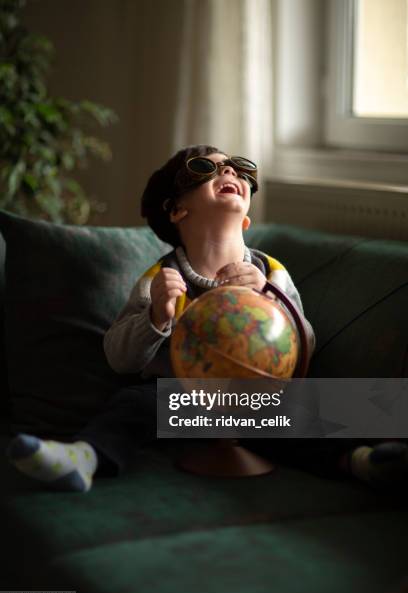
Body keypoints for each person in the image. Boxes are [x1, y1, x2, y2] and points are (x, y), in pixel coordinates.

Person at [6, 145, 408, 492]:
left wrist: (273, 299)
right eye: (208, 168)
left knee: (336, 405)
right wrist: (156, 317)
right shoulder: (161, 279)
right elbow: (118, 358)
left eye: (237, 168)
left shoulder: (271, 272)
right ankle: (86, 457)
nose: (229, 171)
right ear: (178, 210)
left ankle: (364, 462)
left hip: (258, 401)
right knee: (131, 403)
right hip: (186, 402)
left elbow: (306, 346)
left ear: (246, 218)